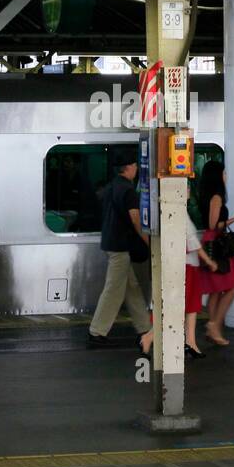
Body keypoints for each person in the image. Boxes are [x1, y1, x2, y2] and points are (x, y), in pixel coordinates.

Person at [88, 149, 153, 348]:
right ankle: (97, 331)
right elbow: (135, 219)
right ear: (130, 168)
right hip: (121, 247)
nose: (136, 170)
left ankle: (144, 328)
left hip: (111, 243)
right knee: (114, 289)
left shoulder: (111, 187)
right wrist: (148, 242)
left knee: (130, 288)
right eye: (135, 166)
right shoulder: (128, 190)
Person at [142, 214, 219, 359]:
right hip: (186, 267)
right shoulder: (180, 213)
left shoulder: (163, 213)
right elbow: (193, 242)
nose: (188, 191)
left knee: (189, 306)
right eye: (187, 189)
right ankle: (149, 337)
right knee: (179, 308)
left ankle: (191, 342)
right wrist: (209, 261)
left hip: (179, 265)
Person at [196, 159, 234, 347]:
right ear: (218, 176)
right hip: (218, 244)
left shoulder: (207, 195)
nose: (226, 176)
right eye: (224, 173)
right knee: (233, 285)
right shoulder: (216, 197)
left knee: (217, 289)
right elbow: (213, 225)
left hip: (213, 242)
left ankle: (213, 327)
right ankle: (214, 325)